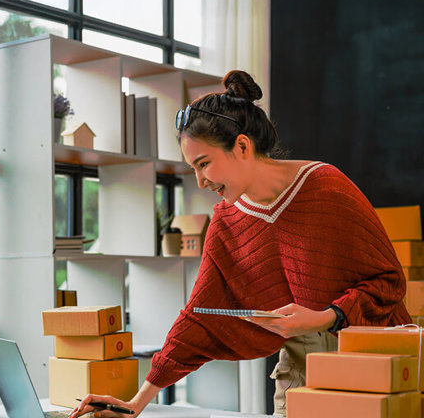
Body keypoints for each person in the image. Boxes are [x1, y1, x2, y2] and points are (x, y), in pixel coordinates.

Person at [70, 70, 411, 418]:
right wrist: (135, 403)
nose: (201, 181)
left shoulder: (327, 187)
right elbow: (198, 316)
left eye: (204, 164)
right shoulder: (226, 220)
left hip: (371, 359)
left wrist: (324, 317)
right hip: (300, 368)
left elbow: (389, 283)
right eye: (193, 169)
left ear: (243, 146)